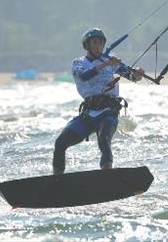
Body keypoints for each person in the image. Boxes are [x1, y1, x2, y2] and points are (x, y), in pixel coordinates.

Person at [52, 28, 144, 174]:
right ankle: (56, 181)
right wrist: (106, 64)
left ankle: (106, 177)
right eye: (94, 43)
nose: (98, 46)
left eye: (100, 43)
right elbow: (84, 76)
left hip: (108, 113)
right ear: (87, 45)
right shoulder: (78, 63)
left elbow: (131, 76)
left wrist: (138, 74)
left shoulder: (111, 61)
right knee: (60, 142)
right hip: (88, 114)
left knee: (103, 139)